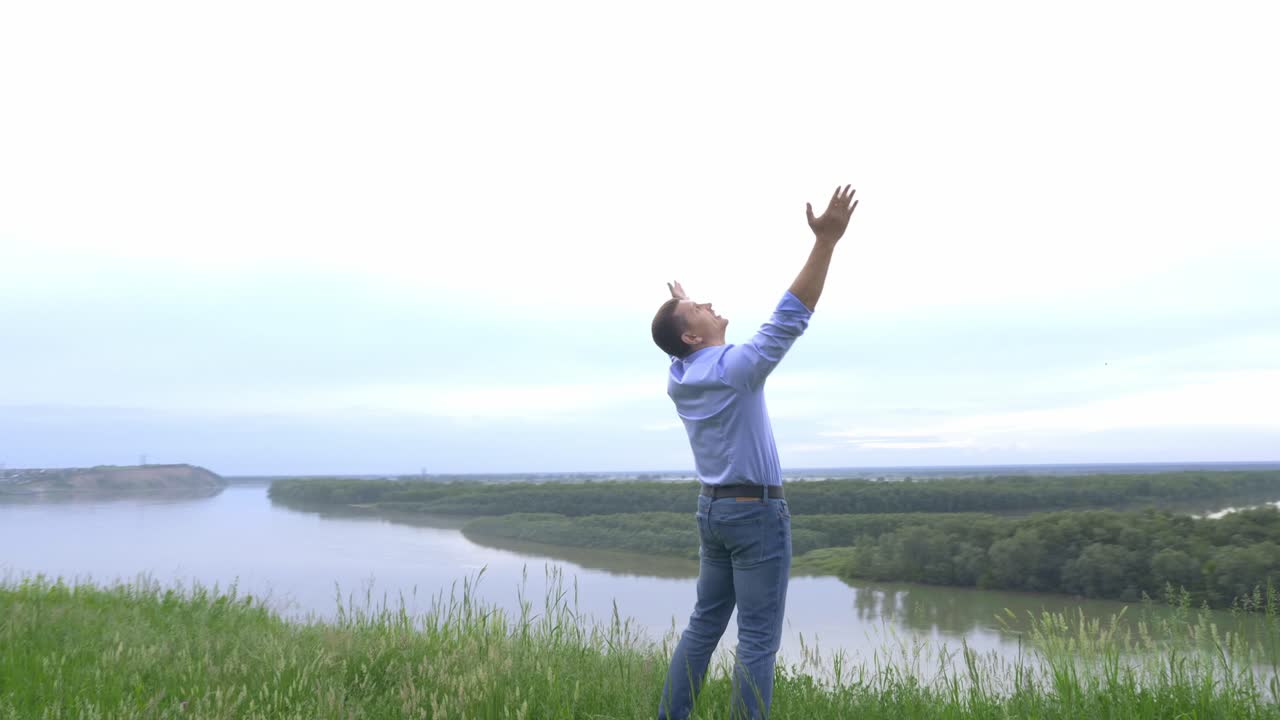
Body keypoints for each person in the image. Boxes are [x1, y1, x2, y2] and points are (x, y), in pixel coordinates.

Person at [651, 184, 859, 720]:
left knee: (703, 625)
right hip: (756, 515)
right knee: (759, 640)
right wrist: (827, 242)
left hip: (714, 512)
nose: (711, 305)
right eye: (698, 307)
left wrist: (681, 304)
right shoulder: (736, 370)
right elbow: (791, 315)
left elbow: (682, 347)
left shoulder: (681, 377)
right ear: (692, 337)